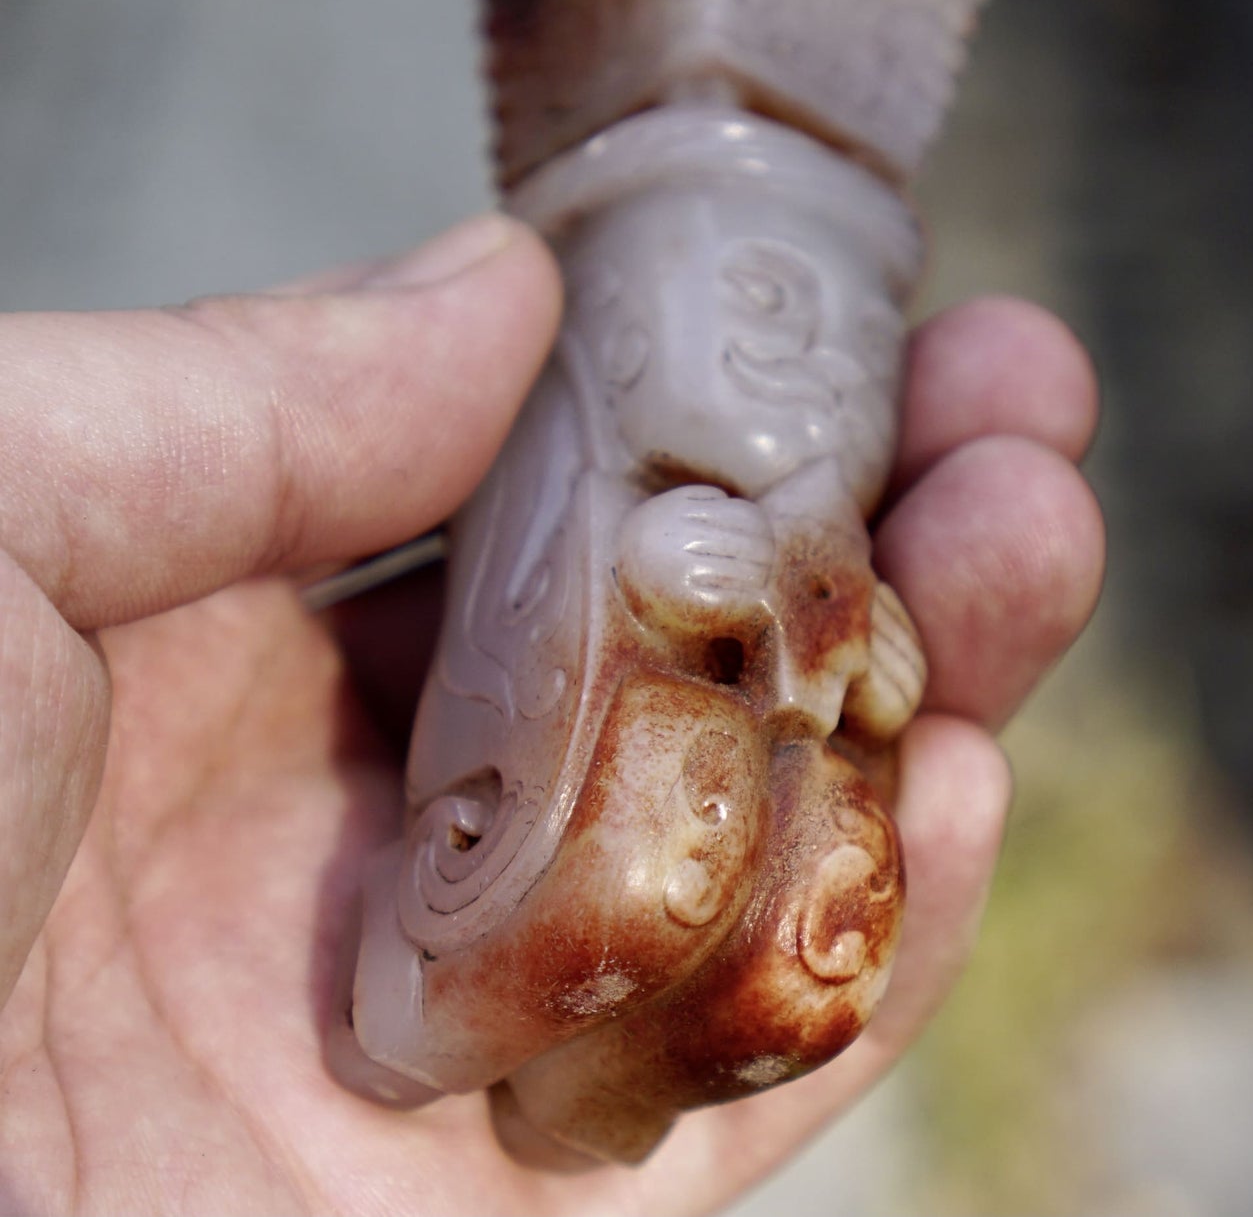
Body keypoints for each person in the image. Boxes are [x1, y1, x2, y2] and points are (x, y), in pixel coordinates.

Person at [0, 215, 1103, 1214]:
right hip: (601, 681)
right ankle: (438, 1010)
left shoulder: (812, 494)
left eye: (860, 333)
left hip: (723, 684)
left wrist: (869, 657)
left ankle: (595, 1101)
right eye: (772, 300)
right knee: (652, 828)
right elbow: (631, 540)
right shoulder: (624, 379)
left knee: (818, 908)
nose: (819, 365)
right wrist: (680, 565)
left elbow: (845, 649)